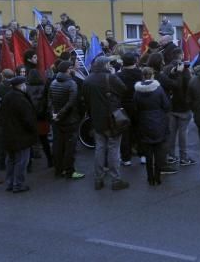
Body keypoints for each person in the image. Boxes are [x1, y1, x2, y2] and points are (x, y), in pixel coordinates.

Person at [81, 56, 129, 191]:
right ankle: (116, 180)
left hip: (96, 119)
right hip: (112, 119)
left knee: (99, 148)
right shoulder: (111, 77)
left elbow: (85, 99)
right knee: (114, 148)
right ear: (106, 65)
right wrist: (113, 75)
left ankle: (98, 179)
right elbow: (123, 89)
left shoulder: (88, 79)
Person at [134, 66, 171, 186]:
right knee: (159, 151)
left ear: (143, 76)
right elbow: (166, 106)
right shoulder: (159, 89)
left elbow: (135, 108)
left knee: (148, 152)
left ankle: (150, 178)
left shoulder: (137, 91)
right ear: (152, 75)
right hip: (159, 121)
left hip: (143, 122)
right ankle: (158, 176)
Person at [48, 60, 84, 180]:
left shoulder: (53, 82)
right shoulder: (72, 83)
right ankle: (69, 171)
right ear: (68, 70)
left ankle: (58, 170)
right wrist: (60, 114)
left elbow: (50, 101)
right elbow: (71, 103)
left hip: (56, 120)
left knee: (58, 145)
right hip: (69, 120)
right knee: (70, 147)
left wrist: (54, 114)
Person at [0, 75, 36, 193]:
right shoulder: (21, 99)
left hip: (8, 134)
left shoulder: (7, 97)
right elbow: (28, 119)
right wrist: (33, 130)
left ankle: (10, 182)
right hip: (21, 135)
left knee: (11, 160)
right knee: (22, 160)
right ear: (21, 85)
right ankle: (18, 184)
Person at [159, 55, 195, 167]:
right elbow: (190, 89)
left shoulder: (167, 76)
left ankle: (170, 155)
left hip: (171, 108)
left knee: (172, 133)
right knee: (183, 133)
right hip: (184, 108)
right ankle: (183, 158)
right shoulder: (185, 76)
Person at [116, 52, 141, 167]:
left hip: (123, 106)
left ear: (122, 63)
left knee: (125, 132)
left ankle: (126, 158)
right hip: (138, 105)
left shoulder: (118, 75)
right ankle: (143, 155)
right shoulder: (140, 73)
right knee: (140, 129)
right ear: (135, 62)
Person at [25, 68, 51, 168]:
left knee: (30, 142)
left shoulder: (26, 88)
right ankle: (50, 160)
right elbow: (47, 102)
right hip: (42, 118)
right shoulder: (44, 87)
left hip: (31, 118)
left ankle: (29, 165)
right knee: (44, 140)